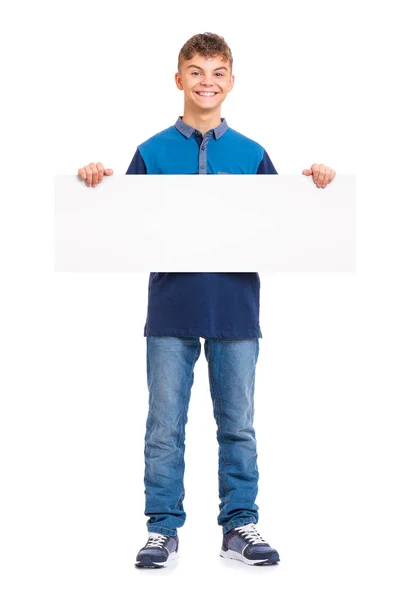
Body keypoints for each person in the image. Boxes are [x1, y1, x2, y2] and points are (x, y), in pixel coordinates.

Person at [78, 32, 336, 568]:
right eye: (196, 71)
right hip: (171, 306)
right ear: (179, 79)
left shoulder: (252, 153)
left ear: (232, 82)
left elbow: (285, 224)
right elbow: (121, 227)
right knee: (164, 425)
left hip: (235, 307)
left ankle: (240, 524)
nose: (206, 82)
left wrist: (313, 184)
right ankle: (162, 529)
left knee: (238, 424)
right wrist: (97, 184)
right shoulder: (151, 150)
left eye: (217, 72)